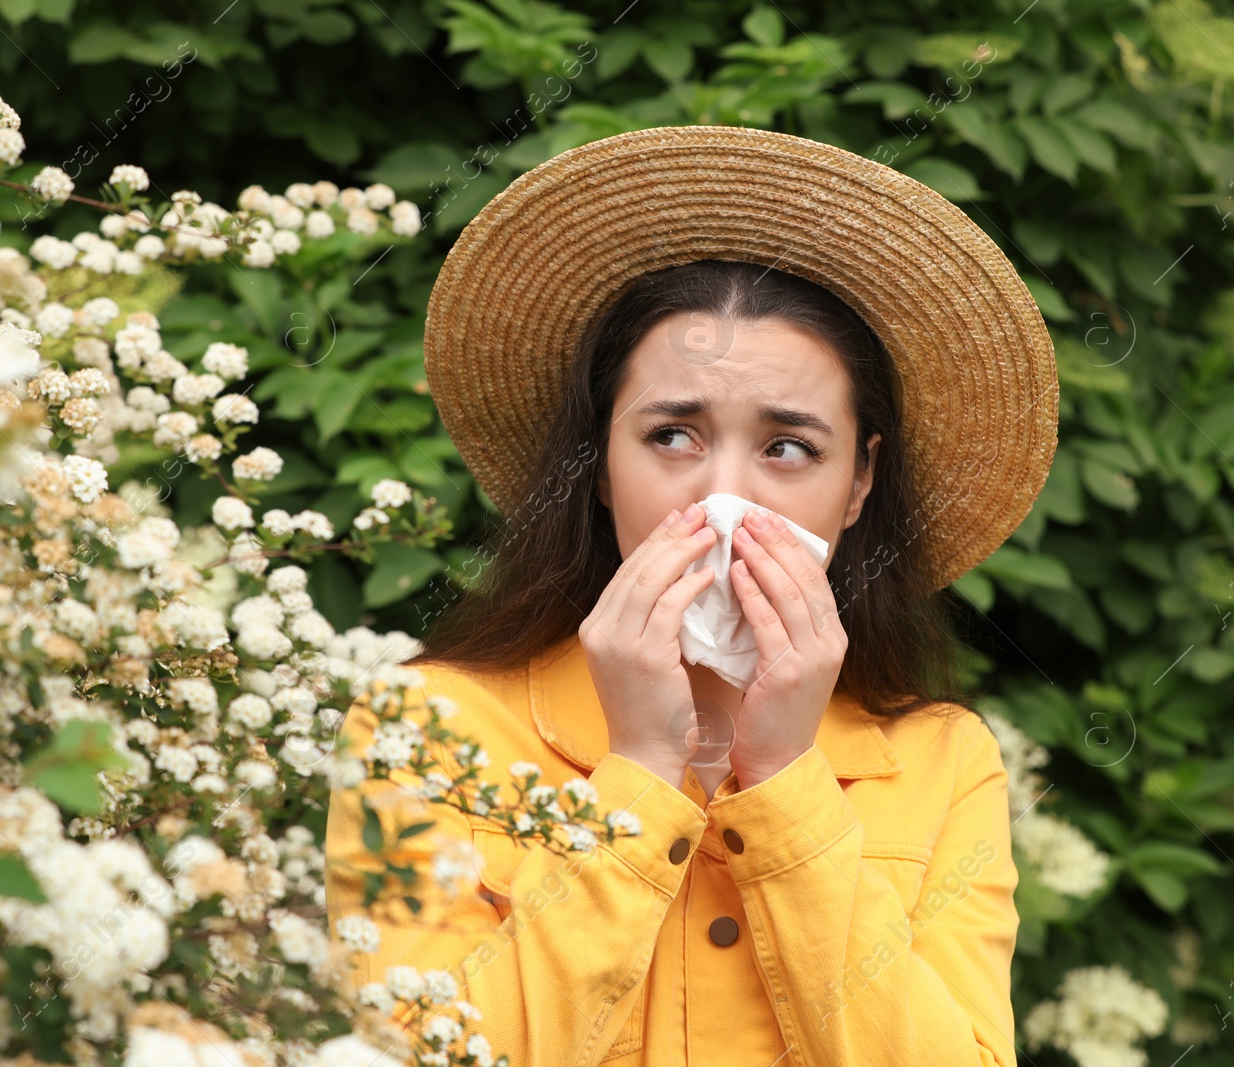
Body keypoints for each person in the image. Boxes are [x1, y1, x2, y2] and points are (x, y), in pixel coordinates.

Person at [325, 125, 1058, 1066]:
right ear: (598, 464)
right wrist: (637, 768)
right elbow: (418, 1053)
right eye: (672, 434)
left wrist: (788, 774)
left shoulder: (943, 764)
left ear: (860, 484)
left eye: (787, 447)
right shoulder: (423, 726)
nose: (726, 498)